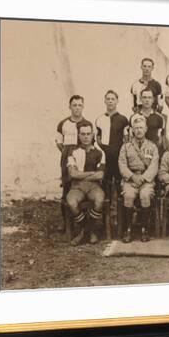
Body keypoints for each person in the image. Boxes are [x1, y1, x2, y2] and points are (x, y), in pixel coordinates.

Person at [118, 115, 160, 243]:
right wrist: (132, 177)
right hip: (130, 180)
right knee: (129, 196)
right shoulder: (126, 147)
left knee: (145, 195)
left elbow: (154, 165)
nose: (139, 130)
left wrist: (144, 178)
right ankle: (128, 230)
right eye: (136, 128)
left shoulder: (152, 146)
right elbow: (122, 164)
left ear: (146, 129)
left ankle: (144, 229)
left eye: (141, 128)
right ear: (132, 130)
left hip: (146, 180)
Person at [65, 121, 106, 246]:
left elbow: (100, 175)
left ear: (93, 134)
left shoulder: (99, 152)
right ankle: (89, 230)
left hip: (94, 186)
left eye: (88, 134)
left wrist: (81, 174)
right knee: (71, 202)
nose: (86, 137)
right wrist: (91, 173)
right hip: (77, 186)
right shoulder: (72, 152)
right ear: (79, 135)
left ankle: (84, 232)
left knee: (100, 199)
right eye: (83, 134)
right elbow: (72, 174)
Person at [55, 95, 89, 232]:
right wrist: (67, 154)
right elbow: (58, 142)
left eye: (79, 105)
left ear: (83, 107)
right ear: (70, 107)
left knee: (81, 186)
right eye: (74, 105)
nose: (77, 108)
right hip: (67, 157)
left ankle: (82, 222)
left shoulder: (87, 124)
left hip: (82, 157)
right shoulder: (63, 124)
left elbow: (89, 143)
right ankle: (65, 221)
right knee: (67, 188)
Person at [95, 90, 129, 199]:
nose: (110, 101)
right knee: (106, 182)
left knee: (119, 182)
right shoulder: (100, 119)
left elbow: (126, 139)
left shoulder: (123, 119)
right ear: (105, 101)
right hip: (106, 156)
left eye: (113, 99)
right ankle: (106, 211)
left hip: (119, 155)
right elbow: (98, 138)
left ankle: (120, 211)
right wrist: (104, 150)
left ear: (117, 101)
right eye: (108, 99)